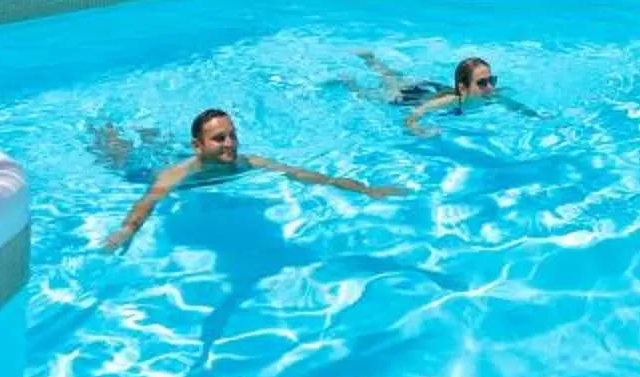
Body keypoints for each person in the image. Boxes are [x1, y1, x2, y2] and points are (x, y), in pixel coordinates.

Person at [97, 108, 402, 252]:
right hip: (139, 173)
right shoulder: (178, 174)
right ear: (198, 146)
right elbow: (148, 201)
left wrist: (366, 190)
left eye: (232, 135)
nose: (230, 143)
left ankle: (147, 133)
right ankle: (104, 128)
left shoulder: (247, 162)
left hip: (180, 160)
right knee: (120, 158)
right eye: (219, 138)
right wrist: (127, 230)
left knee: (157, 146)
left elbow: (302, 174)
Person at [357, 51, 511, 135]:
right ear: (463, 88)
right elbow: (413, 115)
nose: (490, 87)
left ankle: (370, 59)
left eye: (492, 80)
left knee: (396, 77)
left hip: (435, 89)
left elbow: (514, 106)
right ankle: (360, 68)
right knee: (375, 90)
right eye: (482, 83)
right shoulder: (451, 101)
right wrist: (417, 129)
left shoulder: (489, 95)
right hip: (414, 96)